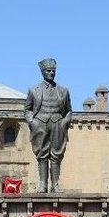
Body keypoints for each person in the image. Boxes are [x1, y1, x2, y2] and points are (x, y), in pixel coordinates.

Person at [24, 58, 73, 192]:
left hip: (58, 124)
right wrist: (32, 122)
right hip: (40, 124)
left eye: (53, 71)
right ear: (42, 72)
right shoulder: (34, 90)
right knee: (42, 154)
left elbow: (69, 110)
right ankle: (43, 184)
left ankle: (55, 185)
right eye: (48, 71)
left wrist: (65, 122)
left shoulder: (63, 91)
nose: (51, 73)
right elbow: (27, 109)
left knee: (56, 155)